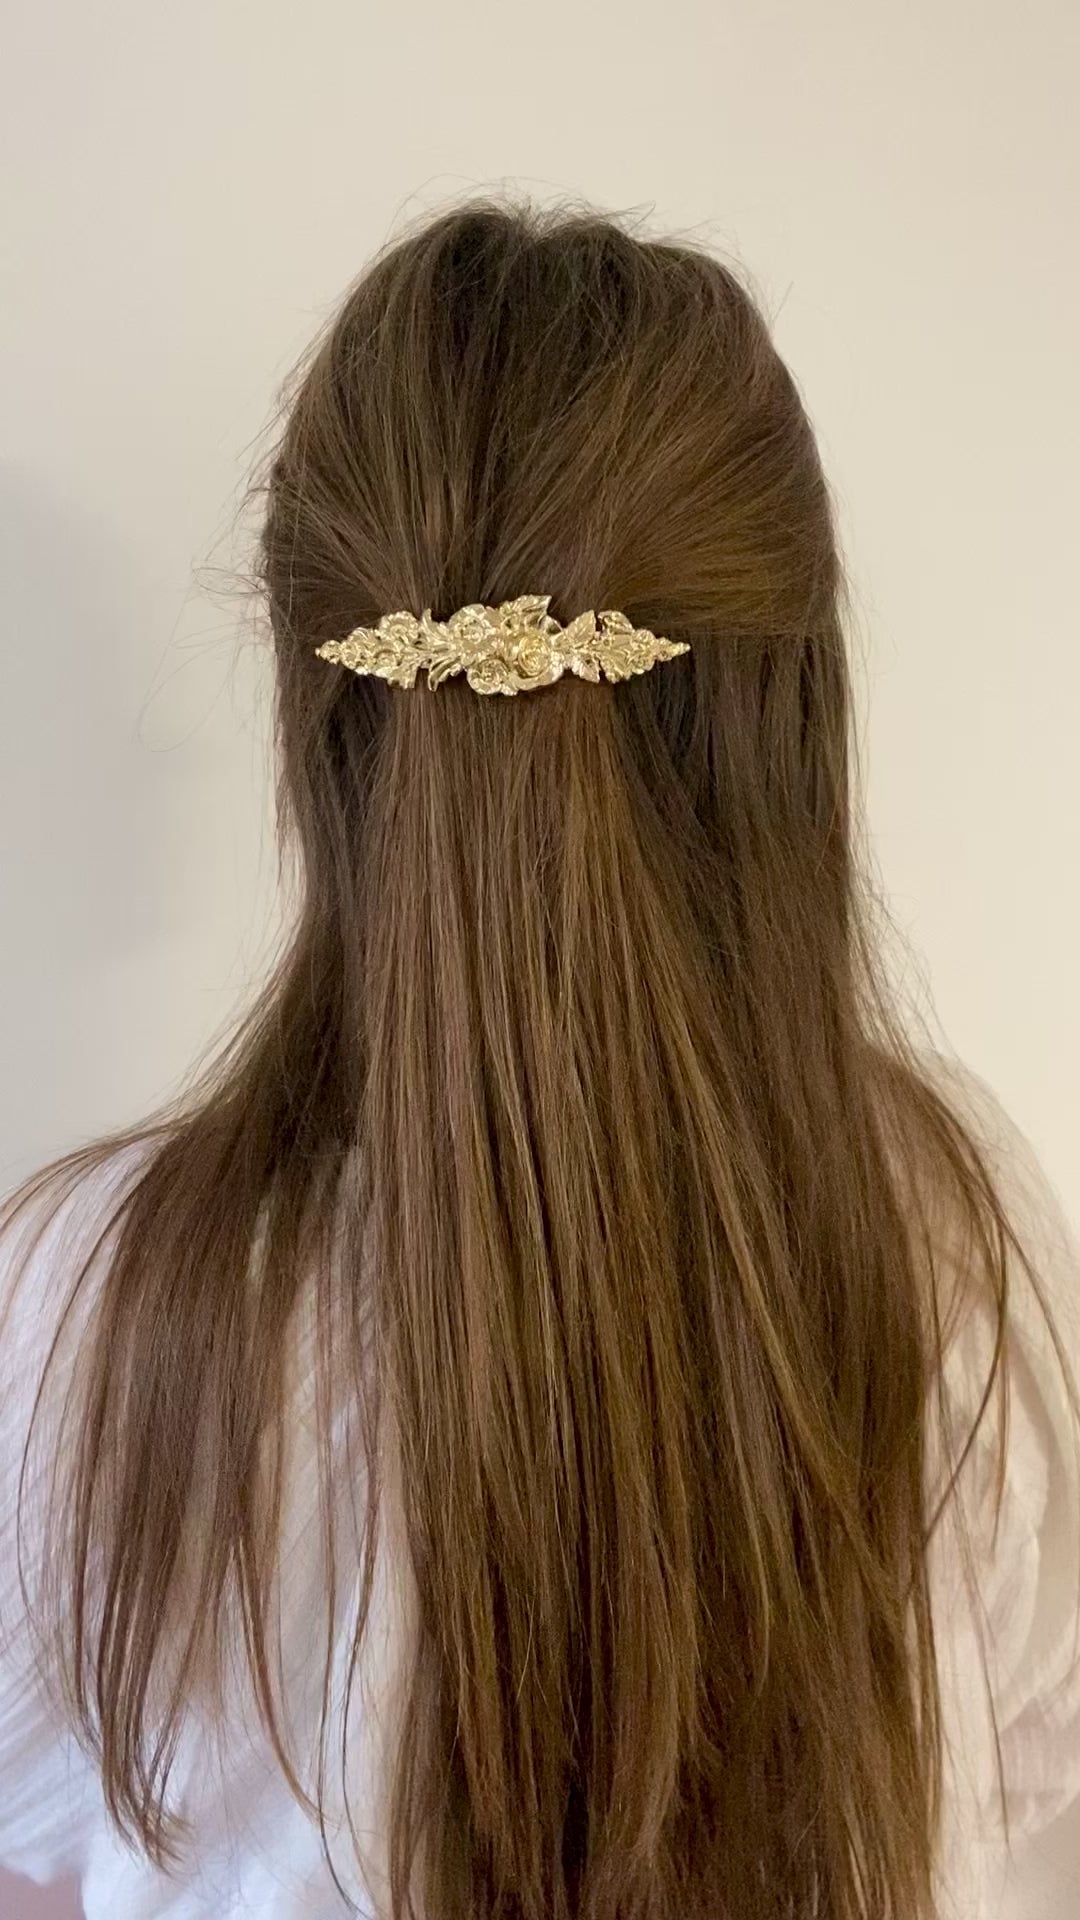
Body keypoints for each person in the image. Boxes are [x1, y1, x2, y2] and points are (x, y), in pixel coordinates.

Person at [1, 198, 1078, 1920]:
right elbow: (1031, 1782)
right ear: (791, 718)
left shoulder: (93, 1307)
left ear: (317, 715)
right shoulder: (947, 1226)